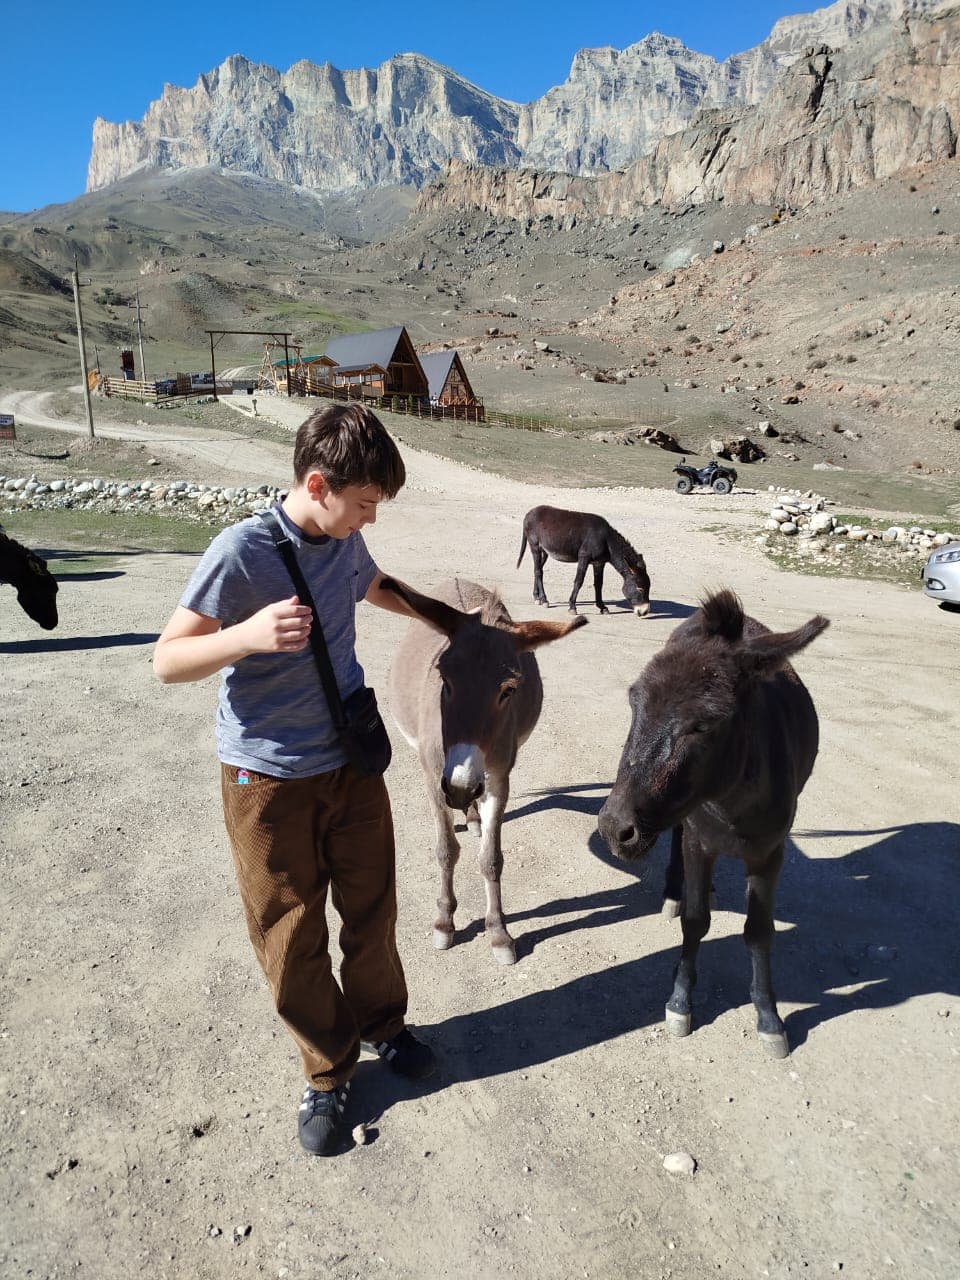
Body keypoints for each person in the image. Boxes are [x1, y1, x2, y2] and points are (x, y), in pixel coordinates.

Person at [153, 401, 436, 1157]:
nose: (370, 519)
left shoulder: (344, 543)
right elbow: (166, 659)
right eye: (366, 504)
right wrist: (244, 636)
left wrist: (452, 623)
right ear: (319, 484)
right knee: (291, 931)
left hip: (350, 763)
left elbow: (376, 584)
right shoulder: (240, 552)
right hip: (267, 781)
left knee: (372, 912)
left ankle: (383, 1027)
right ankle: (327, 1070)